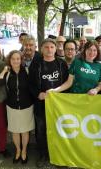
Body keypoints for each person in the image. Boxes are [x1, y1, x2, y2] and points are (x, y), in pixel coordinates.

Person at [28, 38, 69, 167]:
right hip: (41, 104)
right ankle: (43, 155)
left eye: (52, 47)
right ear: (41, 49)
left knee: (59, 129)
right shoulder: (36, 64)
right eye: (46, 47)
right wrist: (38, 94)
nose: (49, 49)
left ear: (56, 49)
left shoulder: (61, 64)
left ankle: (59, 154)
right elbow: (30, 84)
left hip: (58, 105)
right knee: (41, 130)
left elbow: (67, 82)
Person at [0, 50, 34, 164]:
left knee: (25, 130)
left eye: (18, 59)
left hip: (26, 106)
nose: (16, 61)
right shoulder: (7, 73)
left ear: (21, 60)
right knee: (15, 131)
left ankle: (24, 151)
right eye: (13, 59)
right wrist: (4, 70)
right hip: (12, 106)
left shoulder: (27, 71)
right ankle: (18, 150)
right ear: (9, 60)